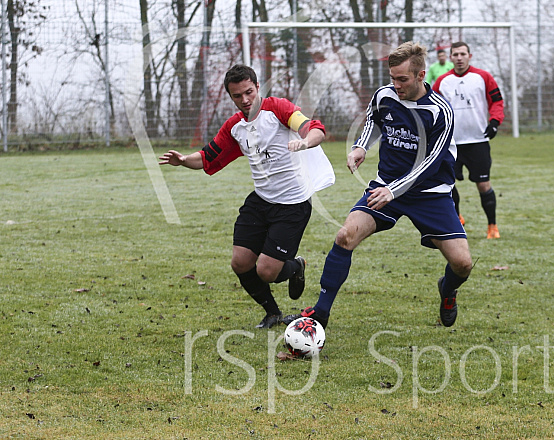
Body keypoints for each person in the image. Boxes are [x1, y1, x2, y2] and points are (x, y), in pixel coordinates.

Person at [283, 41, 473, 330]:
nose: (395, 85)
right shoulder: (385, 95)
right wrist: (361, 147)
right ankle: (320, 313)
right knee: (345, 235)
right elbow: (374, 120)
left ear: (421, 76)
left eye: (403, 79)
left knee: (462, 264)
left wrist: (393, 190)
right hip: (386, 187)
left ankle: (447, 290)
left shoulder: (439, 112)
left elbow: (431, 163)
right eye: (392, 77)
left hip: (429, 194)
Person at [159, 64, 335, 327]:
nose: (245, 100)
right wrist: (184, 160)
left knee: (266, 271)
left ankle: (295, 266)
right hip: (260, 202)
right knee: (241, 263)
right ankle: (273, 313)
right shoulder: (235, 127)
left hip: (291, 205)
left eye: (249, 92)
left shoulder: (278, 108)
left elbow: (314, 128)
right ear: (231, 97)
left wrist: (305, 141)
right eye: (237, 96)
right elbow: (208, 157)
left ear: (257, 87)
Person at [432, 41, 504, 239]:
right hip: (451, 143)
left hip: (478, 141)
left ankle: (492, 226)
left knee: (483, 185)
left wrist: (495, 121)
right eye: (455, 54)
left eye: (463, 54)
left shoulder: (483, 77)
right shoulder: (442, 81)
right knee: (447, 184)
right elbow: (433, 108)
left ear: (469, 56)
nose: (459, 58)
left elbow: (497, 101)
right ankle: (457, 219)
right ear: (451, 57)